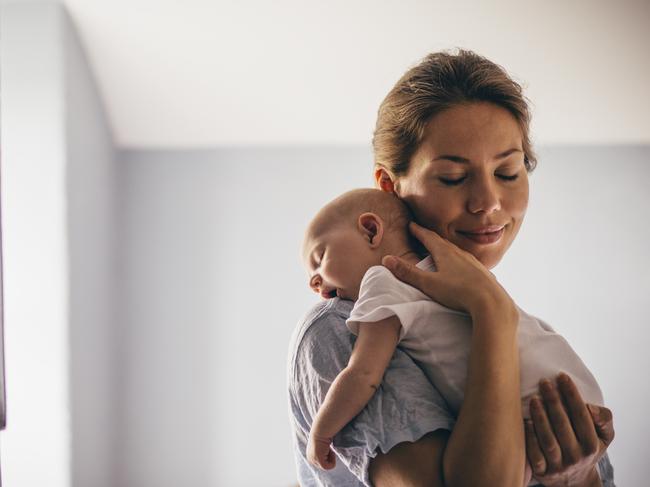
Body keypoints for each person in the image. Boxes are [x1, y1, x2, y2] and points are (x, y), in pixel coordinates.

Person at [287, 49, 615, 487]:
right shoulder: (342, 326)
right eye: (453, 178)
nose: (488, 203)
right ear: (390, 187)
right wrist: (490, 311)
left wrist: (579, 477)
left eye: (509, 171)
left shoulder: (530, 344)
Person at [300, 188, 605, 486]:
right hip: (575, 392)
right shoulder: (463, 274)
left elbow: (364, 373)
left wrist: (322, 432)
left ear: (370, 231)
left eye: (320, 257)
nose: (314, 281)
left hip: (532, 402)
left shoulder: (383, 280)